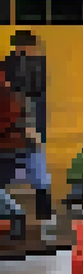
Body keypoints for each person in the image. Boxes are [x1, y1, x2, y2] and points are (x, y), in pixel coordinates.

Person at [3, 31, 49, 224]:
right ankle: (33, 212)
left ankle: (38, 211)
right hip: (16, 131)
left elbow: (35, 94)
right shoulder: (19, 66)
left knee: (37, 167)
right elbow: (24, 98)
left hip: (22, 128)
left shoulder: (28, 65)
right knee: (35, 166)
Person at [0, 71, 33, 240]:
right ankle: (15, 215)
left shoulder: (7, 97)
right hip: (12, 150)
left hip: (7, 150)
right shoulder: (12, 96)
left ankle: (15, 214)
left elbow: (6, 124)